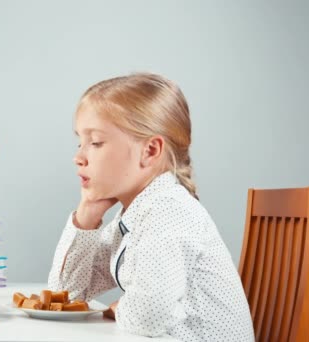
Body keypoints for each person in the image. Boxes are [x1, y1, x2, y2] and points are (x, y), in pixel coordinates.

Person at [47, 73, 254, 341]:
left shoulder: (167, 210)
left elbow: (148, 319)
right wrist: (87, 215)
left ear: (150, 151)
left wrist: (123, 308)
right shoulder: (135, 216)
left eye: (95, 142)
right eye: (80, 142)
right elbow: (66, 293)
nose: (78, 157)